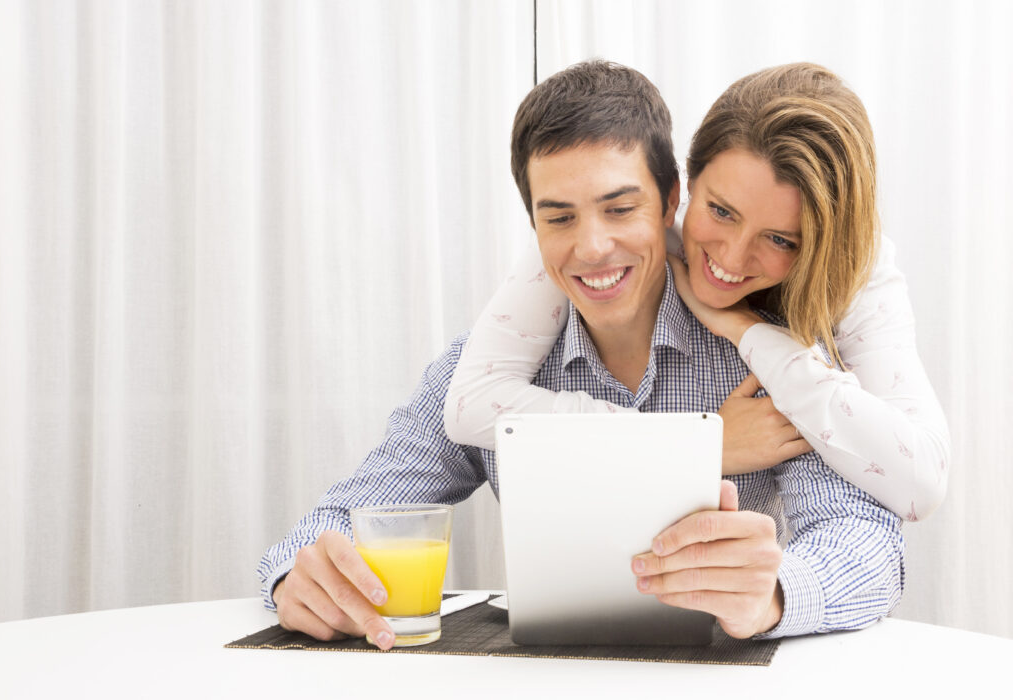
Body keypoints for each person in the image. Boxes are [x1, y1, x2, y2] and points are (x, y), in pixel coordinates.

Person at [257, 60, 904, 650]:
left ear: (671, 201)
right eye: (559, 218)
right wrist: (300, 573)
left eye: (620, 208)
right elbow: (353, 510)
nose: (592, 248)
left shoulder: (771, 359)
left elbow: (869, 545)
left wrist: (773, 593)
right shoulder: (488, 374)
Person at [444, 62, 950, 522]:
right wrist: (699, 444)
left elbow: (919, 484)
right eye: (721, 211)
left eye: (780, 239)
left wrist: (750, 333)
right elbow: (472, 405)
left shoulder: (859, 275)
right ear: (684, 189)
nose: (729, 258)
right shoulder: (604, 231)